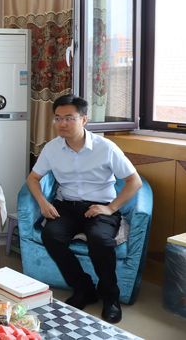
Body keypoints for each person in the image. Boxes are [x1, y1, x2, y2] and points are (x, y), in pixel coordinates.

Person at [26, 94, 142, 324]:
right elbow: (33, 179)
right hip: (67, 206)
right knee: (51, 235)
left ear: (84, 119)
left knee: (100, 240)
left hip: (100, 207)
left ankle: (110, 297)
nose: (62, 124)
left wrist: (111, 208)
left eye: (69, 118)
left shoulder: (105, 147)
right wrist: (43, 203)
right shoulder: (52, 148)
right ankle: (84, 288)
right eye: (58, 118)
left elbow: (134, 181)